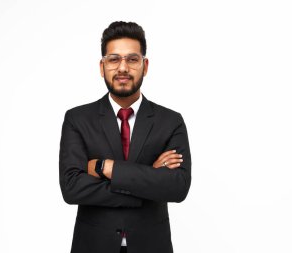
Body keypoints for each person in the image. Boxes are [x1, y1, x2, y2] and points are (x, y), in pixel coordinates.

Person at [59, 21, 192, 253]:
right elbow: (72, 188)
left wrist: (106, 167)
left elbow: (177, 187)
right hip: (93, 245)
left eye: (132, 59)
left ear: (145, 65)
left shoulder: (171, 121)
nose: (123, 68)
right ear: (102, 67)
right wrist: (148, 179)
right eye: (113, 59)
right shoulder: (77, 119)